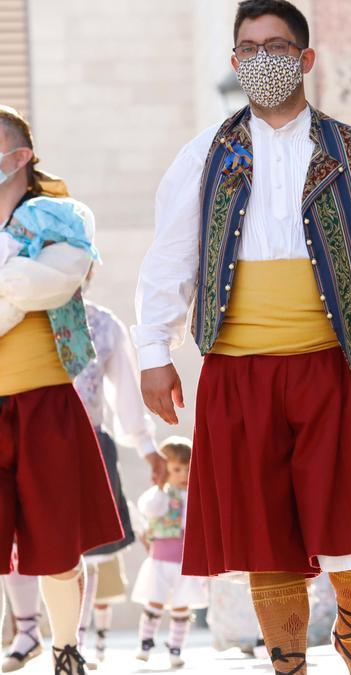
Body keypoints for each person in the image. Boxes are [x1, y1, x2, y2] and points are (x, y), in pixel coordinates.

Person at [133, 2, 351, 673]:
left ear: (306, 59)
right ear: (233, 62)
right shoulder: (203, 155)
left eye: (277, 46)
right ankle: (289, 662)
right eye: (248, 48)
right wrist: (152, 351)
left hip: (337, 360)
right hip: (238, 367)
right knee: (267, 534)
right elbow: (171, 256)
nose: (262, 60)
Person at [0, 105, 123, 675]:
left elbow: (50, 284)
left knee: (55, 542)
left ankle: (66, 647)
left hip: (44, 400)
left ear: (20, 156)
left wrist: (17, 275)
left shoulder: (62, 217)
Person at [72, 298, 163, 664]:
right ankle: (29, 629)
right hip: (29, 437)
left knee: (89, 553)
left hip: (90, 442)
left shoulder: (103, 324)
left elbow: (125, 394)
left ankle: (73, 640)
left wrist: (148, 448)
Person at [130, 438, 207, 669]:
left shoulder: (195, 495)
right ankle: (145, 642)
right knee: (155, 601)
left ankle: (176, 648)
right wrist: (161, 486)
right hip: (161, 559)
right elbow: (149, 508)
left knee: (182, 605)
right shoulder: (161, 495)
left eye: (187, 469)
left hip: (186, 561)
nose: (183, 475)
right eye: (176, 469)